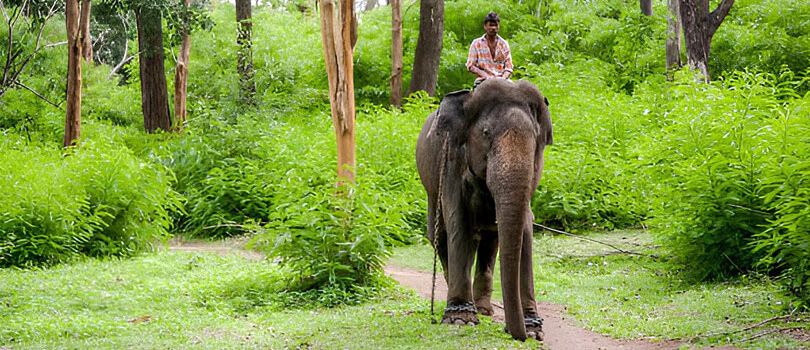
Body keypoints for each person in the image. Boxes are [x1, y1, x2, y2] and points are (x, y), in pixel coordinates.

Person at [466, 12, 513, 87]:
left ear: (498, 27)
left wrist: (502, 79)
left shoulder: (504, 44)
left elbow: (509, 67)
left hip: (502, 80)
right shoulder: (476, 43)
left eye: (495, 25)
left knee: (516, 91)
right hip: (483, 80)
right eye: (491, 25)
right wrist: (486, 76)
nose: (493, 28)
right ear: (485, 26)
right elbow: (471, 66)